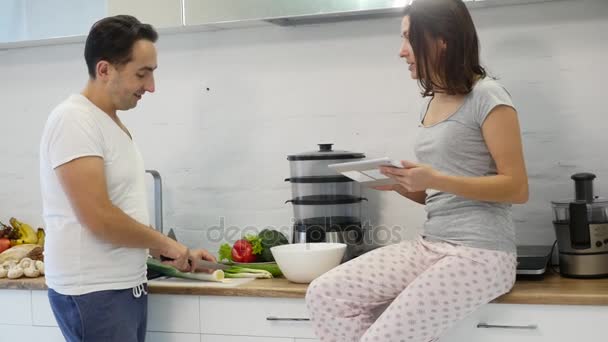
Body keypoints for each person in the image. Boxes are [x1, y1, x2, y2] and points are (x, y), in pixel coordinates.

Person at [305, 0, 528, 341]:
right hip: (432, 246)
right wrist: (402, 185)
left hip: (482, 254)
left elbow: (516, 188)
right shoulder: (434, 101)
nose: (401, 51)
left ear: (442, 40)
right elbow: (445, 197)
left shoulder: (489, 97)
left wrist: (434, 177)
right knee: (325, 294)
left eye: (409, 38)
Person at [39, 15, 216, 342]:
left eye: (152, 73)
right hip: (93, 292)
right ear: (104, 70)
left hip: (119, 288)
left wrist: (171, 253)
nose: (151, 86)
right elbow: (99, 217)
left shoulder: (109, 123)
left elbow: (120, 210)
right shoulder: (73, 120)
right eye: (141, 74)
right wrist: (166, 243)